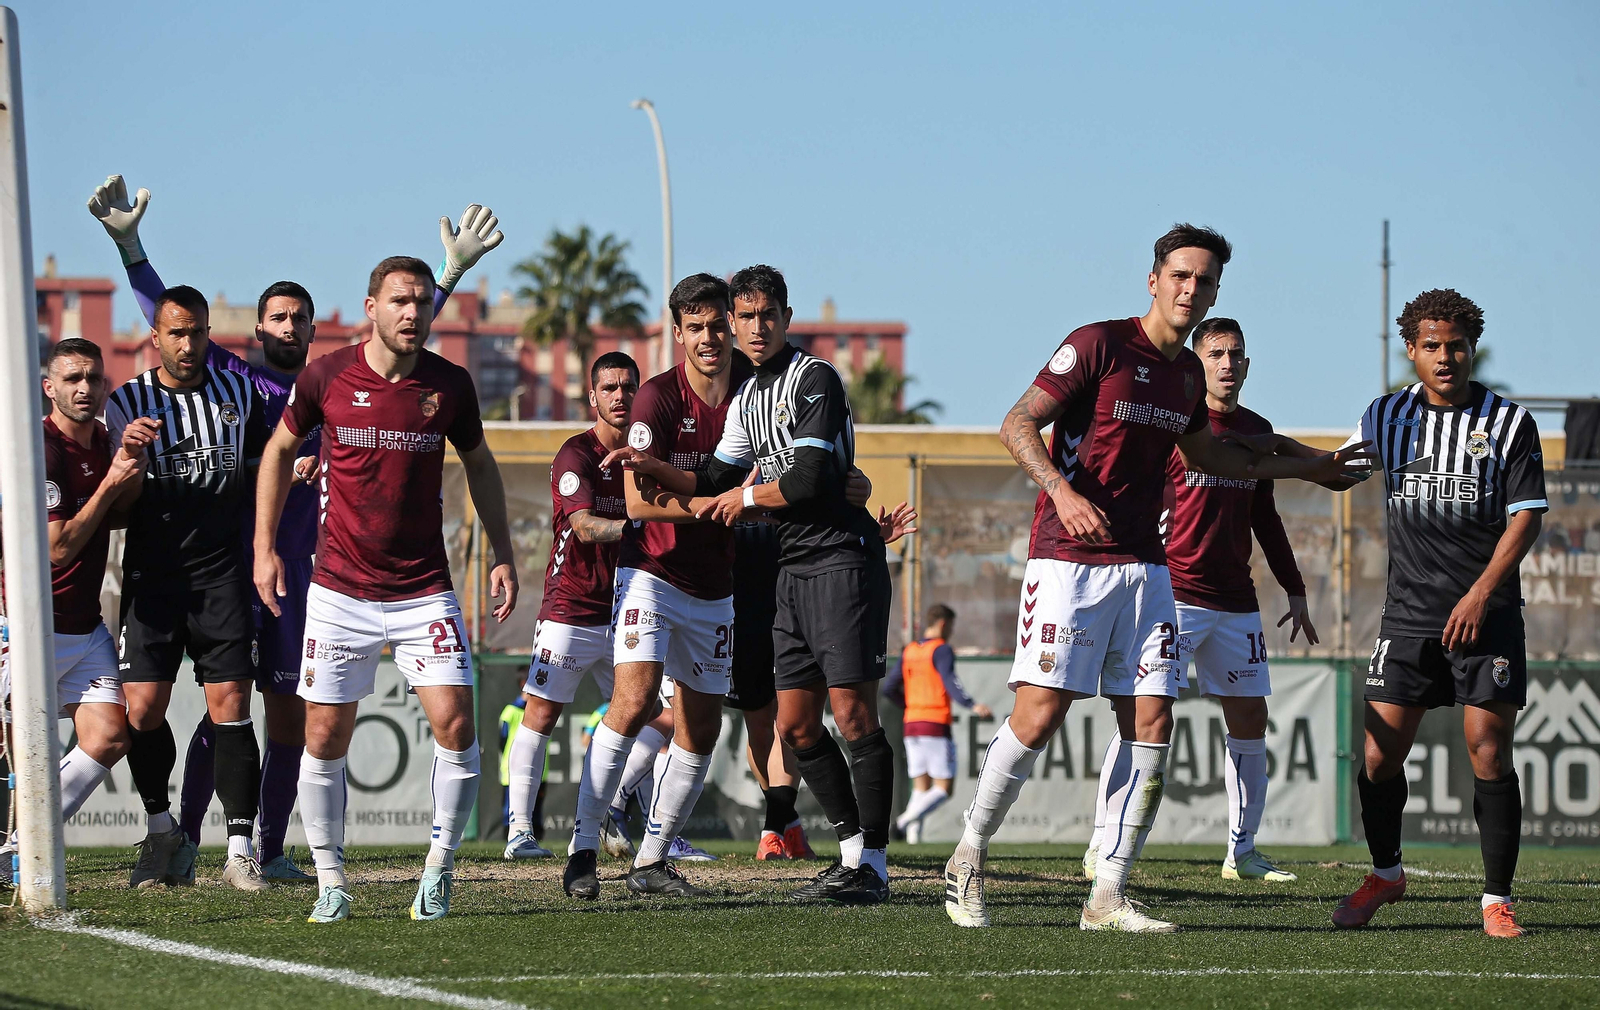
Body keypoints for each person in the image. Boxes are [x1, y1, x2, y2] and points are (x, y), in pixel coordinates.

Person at [940, 224, 1370, 932]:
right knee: (1041, 715)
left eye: (1204, 281)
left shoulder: (1186, 377)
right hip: (1068, 562)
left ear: (1215, 291)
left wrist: (1312, 465)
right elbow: (1017, 422)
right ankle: (968, 856)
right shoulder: (1099, 343)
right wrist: (1062, 490)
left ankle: (1107, 894)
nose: (1190, 289)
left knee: (1153, 719)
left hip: (1148, 570)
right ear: (1153, 279)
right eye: (1179, 275)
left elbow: (1219, 455)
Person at [89, 174, 504, 882]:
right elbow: (168, 324)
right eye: (277, 317)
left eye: (298, 318)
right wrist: (131, 248)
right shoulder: (233, 380)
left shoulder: (334, 382)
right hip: (235, 565)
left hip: (306, 571)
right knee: (221, 710)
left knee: (285, 718)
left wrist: (451, 274)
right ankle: (181, 841)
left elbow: (405, 331)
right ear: (256, 330)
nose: (288, 327)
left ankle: (264, 847)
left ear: (314, 329)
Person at [255, 255, 519, 923]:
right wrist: (262, 549)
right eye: (400, 301)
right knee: (324, 735)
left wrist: (504, 554)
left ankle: (438, 869)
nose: (413, 313)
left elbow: (481, 467)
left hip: (423, 588)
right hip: (340, 589)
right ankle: (331, 880)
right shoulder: (326, 376)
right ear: (370, 306)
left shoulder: (450, 385)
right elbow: (278, 453)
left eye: (424, 303)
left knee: (457, 724)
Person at [695, 265, 916, 905]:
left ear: (786, 319)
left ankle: (873, 864)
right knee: (793, 726)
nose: (756, 327)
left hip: (843, 559)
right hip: (792, 568)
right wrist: (647, 470)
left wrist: (745, 495)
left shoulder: (813, 377)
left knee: (852, 714)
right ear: (733, 325)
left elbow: (812, 479)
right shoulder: (745, 399)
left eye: (768, 315)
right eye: (746, 317)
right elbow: (715, 477)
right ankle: (851, 858)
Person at [1329, 289, 1544, 938]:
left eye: (1455, 345)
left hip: (1489, 616)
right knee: (1377, 755)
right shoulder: (1386, 417)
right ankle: (1387, 876)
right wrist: (1253, 454)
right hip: (1409, 619)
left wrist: (1480, 593)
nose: (1444, 357)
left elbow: (1528, 516)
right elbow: (1339, 471)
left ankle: (1496, 900)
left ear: (1471, 348)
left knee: (1487, 751)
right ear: (1411, 350)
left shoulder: (1508, 423)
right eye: (1431, 346)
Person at [1083, 317, 1314, 883]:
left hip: (1237, 601)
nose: (1227, 364)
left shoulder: (1258, 430)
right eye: (1216, 354)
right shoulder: (1173, 425)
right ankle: (1101, 843)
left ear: (1248, 364)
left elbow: (1265, 516)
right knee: (1145, 718)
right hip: (1173, 593)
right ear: (1197, 362)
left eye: (1236, 354)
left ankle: (1243, 851)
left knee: (1251, 718)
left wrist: (1295, 587)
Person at [558, 274, 747, 900]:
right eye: (695, 328)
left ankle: (651, 860)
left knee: (701, 726)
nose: (709, 338)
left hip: (715, 584)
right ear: (678, 334)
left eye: (717, 325)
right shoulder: (657, 400)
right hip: (652, 575)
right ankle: (583, 848)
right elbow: (639, 503)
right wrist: (722, 503)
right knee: (635, 699)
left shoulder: (754, 392)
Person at [104, 281, 271, 892]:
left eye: (197, 332)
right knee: (140, 710)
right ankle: (161, 829)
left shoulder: (237, 393)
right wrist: (129, 460)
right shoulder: (125, 402)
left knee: (230, 706)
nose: (187, 343)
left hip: (222, 574)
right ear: (156, 337)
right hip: (152, 576)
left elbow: (260, 470)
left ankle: (239, 848)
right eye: (176, 332)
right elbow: (116, 510)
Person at [0, 340, 152, 842]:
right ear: (50, 388)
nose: (84, 388)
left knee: (109, 736)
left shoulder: (105, 441)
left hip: (83, 626)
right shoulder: (42, 451)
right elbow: (59, 548)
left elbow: (124, 514)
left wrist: (132, 461)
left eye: (93, 378)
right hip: (27, 630)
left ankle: (25, 845)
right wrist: (112, 482)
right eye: (72, 380)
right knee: (16, 753)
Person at [503, 352, 639, 862]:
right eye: (609, 387)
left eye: (628, 386)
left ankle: (620, 815)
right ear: (593, 397)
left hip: (629, 611)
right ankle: (519, 830)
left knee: (648, 716)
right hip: (571, 610)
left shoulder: (647, 457)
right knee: (539, 715)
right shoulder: (575, 455)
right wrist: (648, 528)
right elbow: (584, 527)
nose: (620, 395)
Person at [885, 604, 992, 843]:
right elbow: (950, 681)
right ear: (943, 623)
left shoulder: (910, 650)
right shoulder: (941, 650)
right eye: (951, 626)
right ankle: (902, 822)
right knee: (943, 789)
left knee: (921, 788)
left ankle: (912, 838)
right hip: (934, 724)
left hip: (912, 724)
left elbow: (889, 688)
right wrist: (972, 704)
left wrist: (910, 705)